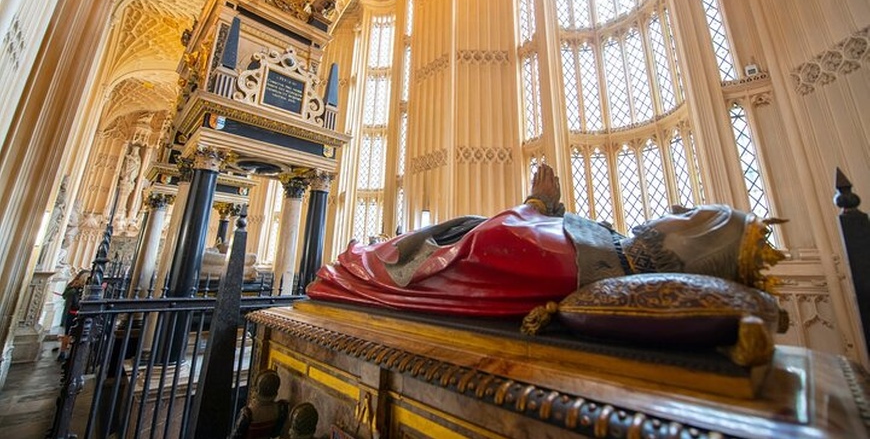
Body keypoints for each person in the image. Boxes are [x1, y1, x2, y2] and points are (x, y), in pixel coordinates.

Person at [307, 165, 785, 317]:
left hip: (423, 270)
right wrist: (544, 209)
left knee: (461, 228)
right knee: (465, 220)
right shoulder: (615, 252)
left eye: (692, 215)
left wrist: (536, 203)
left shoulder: (588, 266)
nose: (678, 208)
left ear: (689, 243)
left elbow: (492, 244)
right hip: (449, 249)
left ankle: (357, 263)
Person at [230, 369, 291, 439]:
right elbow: (275, 433)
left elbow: (235, 436)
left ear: (257, 389)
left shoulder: (247, 413)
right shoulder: (280, 408)